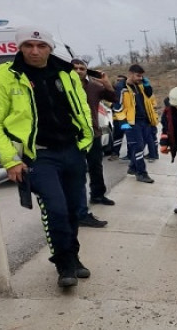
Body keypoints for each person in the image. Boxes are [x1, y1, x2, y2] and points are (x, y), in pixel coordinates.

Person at [0, 26, 94, 287]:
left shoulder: (67, 73)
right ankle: (64, 264)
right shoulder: (2, 76)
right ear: (19, 47)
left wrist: (85, 143)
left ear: (50, 48)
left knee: (73, 209)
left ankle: (74, 257)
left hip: (72, 150)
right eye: (28, 46)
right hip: (39, 156)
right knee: (55, 209)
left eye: (41, 45)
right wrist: (10, 159)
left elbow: (82, 108)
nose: (34, 51)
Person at [71, 59, 117, 228]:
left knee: (96, 166)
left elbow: (113, 98)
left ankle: (98, 194)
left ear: (86, 71)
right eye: (74, 68)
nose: (78, 71)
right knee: (77, 171)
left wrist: (106, 83)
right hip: (73, 137)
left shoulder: (94, 87)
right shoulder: (62, 86)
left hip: (93, 134)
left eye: (82, 68)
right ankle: (78, 208)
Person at [112, 64, 156, 183]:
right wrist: (123, 123)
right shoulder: (122, 87)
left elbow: (149, 95)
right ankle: (141, 173)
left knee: (141, 145)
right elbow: (117, 107)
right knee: (138, 147)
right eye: (138, 75)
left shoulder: (139, 86)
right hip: (132, 122)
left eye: (142, 76)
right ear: (130, 74)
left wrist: (147, 85)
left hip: (144, 120)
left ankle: (132, 167)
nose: (140, 78)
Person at [107, 74, 127, 161]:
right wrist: (112, 105)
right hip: (116, 118)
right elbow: (107, 101)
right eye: (117, 80)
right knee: (117, 136)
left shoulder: (127, 91)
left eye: (121, 80)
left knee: (130, 136)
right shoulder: (113, 91)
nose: (118, 82)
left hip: (126, 119)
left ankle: (131, 154)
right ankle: (115, 153)